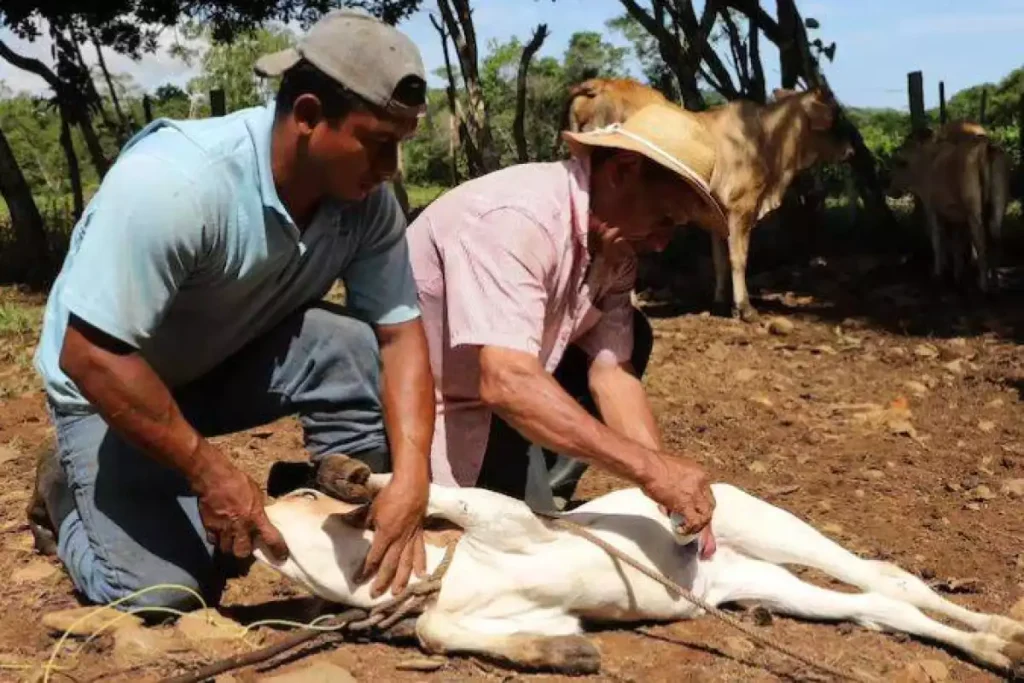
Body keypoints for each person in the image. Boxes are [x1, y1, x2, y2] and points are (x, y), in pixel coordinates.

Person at [27, 10, 436, 611]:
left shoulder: (367, 204)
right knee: (162, 596)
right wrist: (210, 472)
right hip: (105, 389)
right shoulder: (178, 185)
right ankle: (65, 499)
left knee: (350, 345)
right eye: (378, 145)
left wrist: (413, 478)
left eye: (398, 147)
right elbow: (90, 355)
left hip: (214, 361)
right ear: (307, 117)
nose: (389, 170)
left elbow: (401, 340)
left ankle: (345, 515)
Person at [406, 103, 729, 554]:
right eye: (664, 219)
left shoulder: (617, 252)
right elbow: (506, 380)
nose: (662, 242)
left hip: (488, 403)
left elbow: (612, 373)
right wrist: (651, 472)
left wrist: (664, 489)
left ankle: (538, 472)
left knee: (532, 540)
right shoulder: (517, 219)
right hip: (410, 404)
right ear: (623, 171)